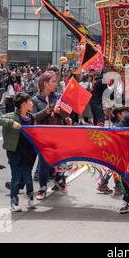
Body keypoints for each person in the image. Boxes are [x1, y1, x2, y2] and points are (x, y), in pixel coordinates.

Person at [0, 93, 38, 212]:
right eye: (30, 101)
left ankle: (31, 198)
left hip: (29, 153)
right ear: (24, 104)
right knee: (16, 177)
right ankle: (14, 202)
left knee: (28, 177)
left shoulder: (32, 117)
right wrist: (11, 123)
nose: (32, 103)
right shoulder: (12, 116)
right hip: (15, 152)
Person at [33, 71, 72, 200]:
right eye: (53, 82)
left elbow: (67, 113)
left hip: (58, 134)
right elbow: (33, 118)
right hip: (43, 136)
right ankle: (42, 188)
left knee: (61, 160)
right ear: (45, 83)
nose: (55, 84)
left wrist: (63, 115)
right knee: (44, 162)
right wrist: (47, 111)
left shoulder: (59, 96)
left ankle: (60, 180)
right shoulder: (34, 100)